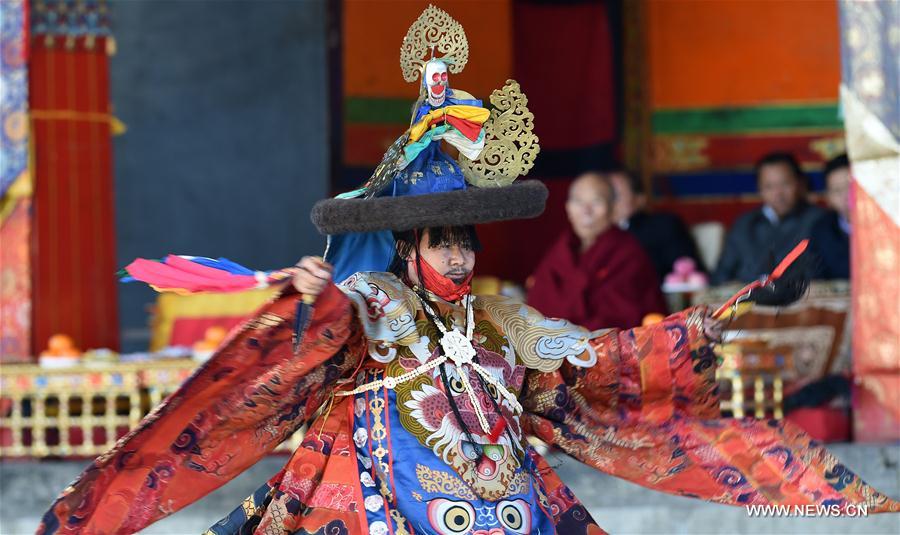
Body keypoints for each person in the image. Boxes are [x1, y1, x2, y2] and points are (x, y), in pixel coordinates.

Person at [40, 7, 897, 535]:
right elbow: (328, 323)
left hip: (498, 486)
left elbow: (590, 356)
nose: (457, 254)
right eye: (441, 241)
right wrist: (313, 292)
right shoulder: (372, 300)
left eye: (466, 242)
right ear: (409, 246)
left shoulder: (494, 320)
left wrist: (684, 333)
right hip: (370, 480)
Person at [527, 172, 667, 329]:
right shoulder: (558, 252)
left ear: (613, 209)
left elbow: (625, 318)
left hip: (609, 349)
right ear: (568, 209)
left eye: (596, 202)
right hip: (553, 348)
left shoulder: (628, 253)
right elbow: (536, 310)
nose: (586, 211)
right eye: (578, 201)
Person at [713, 152, 824, 284]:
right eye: (769, 186)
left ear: (800, 183)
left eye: (785, 184)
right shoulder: (744, 224)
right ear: (759, 189)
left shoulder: (819, 221)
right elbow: (721, 275)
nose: (778, 193)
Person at [608, 168, 704, 278]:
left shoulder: (663, 225)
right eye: (603, 196)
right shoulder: (591, 235)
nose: (609, 202)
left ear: (640, 199)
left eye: (615, 195)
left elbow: (686, 274)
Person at [809, 154, 851, 279]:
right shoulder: (821, 230)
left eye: (850, 186)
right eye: (837, 191)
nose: (846, 196)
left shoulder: (890, 224)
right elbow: (816, 277)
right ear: (828, 198)